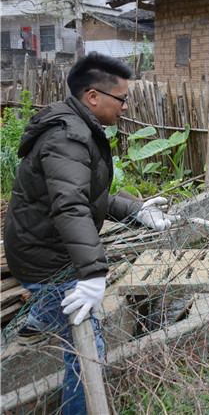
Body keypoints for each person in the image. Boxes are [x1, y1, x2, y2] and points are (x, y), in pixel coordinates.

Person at [4, 52, 179, 414]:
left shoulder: (79, 127)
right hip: (45, 256)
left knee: (67, 316)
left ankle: (41, 316)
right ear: (93, 96)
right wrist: (94, 273)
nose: (126, 107)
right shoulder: (68, 137)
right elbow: (71, 206)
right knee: (86, 350)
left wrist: (138, 212)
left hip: (45, 244)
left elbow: (90, 195)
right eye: (122, 98)